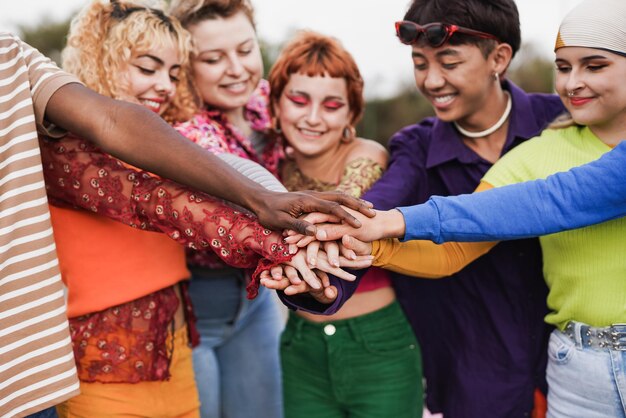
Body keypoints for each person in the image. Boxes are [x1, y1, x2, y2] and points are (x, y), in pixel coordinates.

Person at [0, 4, 370, 418]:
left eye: (174, 73)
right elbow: (161, 199)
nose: (164, 85)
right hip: (106, 368)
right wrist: (279, 236)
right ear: (101, 57)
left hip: (177, 344)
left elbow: (234, 164)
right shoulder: (66, 146)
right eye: (148, 67)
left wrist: (357, 164)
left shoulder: (183, 131)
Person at [292, 0, 626, 416]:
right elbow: (389, 208)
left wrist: (391, 224)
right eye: (419, 63)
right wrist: (340, 257)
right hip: (492, 362)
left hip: (547, 353)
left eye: (449, 61)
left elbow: (561, 197)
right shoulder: (442, 149)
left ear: (499, 58)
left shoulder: (559, 117)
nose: (431, 80)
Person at [265, 31, 422, 418]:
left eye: (332, 105)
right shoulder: (268, 169)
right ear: (275, 104)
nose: (313, 118)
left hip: (380, 348)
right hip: (301, 347)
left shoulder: (367, 156)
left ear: (351, 115)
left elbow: (341, 213)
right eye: (299, 100)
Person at [167, 1, 283, 416]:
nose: (236, 69)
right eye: (214, 59)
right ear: (186, 65)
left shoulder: (266, 103)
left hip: (256, 302)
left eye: (246, 49)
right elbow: (246, 184)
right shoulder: (186, 131)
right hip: (197, 306)